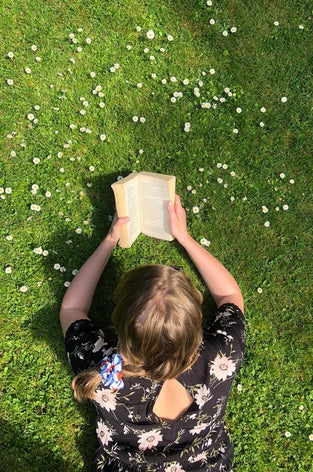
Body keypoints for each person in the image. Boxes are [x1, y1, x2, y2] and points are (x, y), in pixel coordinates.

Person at [60, 194, 245, 472]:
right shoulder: (222, 357)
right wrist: (184, 237)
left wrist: (110, 240)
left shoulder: (101, 372)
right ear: (195, 328)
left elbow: (72, 307)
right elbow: (230, 295)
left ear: (119, 324)